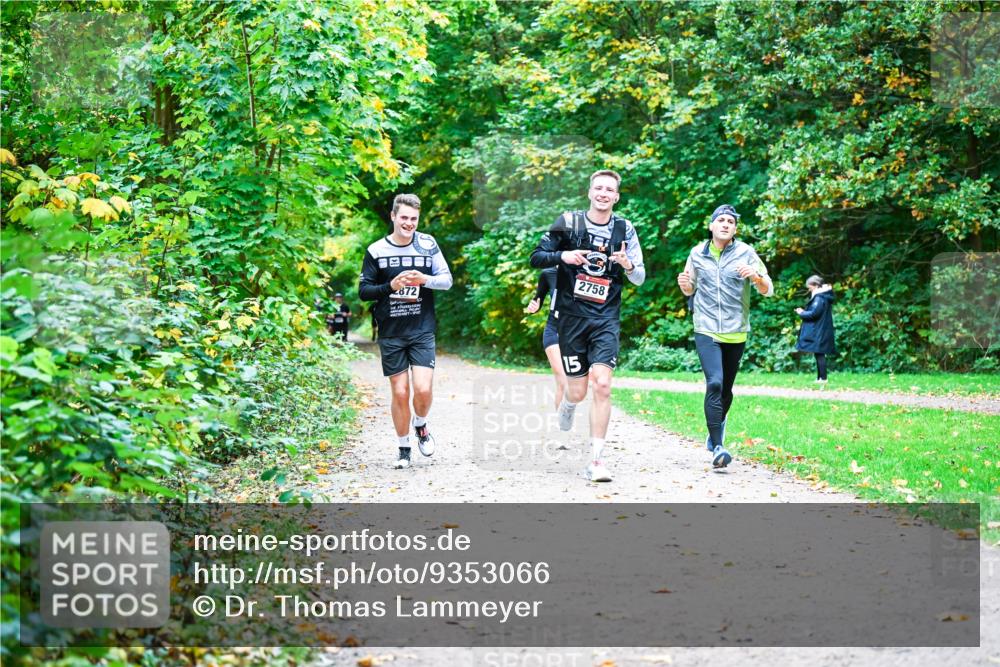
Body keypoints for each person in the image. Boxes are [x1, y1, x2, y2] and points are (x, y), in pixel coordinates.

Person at [530, 170, 645, 483]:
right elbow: (536, 257)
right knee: (578, 390)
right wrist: (564, 255)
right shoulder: (568, 222)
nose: (604, 193)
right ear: (590, 192)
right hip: (571, 318)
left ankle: (596, 460)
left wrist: (627, 264)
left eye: (610, 189)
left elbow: (639, 277)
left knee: (603, 384)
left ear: (617, 197)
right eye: (599, 188)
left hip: (605, 317)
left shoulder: (625, 228)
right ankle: (568, 403)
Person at [359, 194, 453, 469]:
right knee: (400, 392)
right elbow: (364, 292)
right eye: (404, 218)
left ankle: (421, 425)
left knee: (422, 390)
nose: (409, 223)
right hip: (391, 331)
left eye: (413, 219)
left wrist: (426, 279)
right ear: (393, 217)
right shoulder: (376, 250)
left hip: (422, 328)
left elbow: (446, 281)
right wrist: (391, 286)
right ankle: (403, 448)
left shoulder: (428, 245)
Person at [677, 204, 773, 469]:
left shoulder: (746, 253)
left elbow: (768, 289)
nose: (726, 224)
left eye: (730, 221)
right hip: (705, 327)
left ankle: (714, 431)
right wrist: (685, 286)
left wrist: (755, 277)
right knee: (715, 383)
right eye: (721, 220)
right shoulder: (697, 253)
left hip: (736, 331)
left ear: (735, 229)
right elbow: (689, 288)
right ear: (711, 226)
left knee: (727, 390)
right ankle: (718, 447)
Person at [524, 266, 565, 410]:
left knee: (576, 384)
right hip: (553, 331)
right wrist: (533, 306)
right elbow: (537, 300)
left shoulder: (582, 274)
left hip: (575, 333)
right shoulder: (548, 274)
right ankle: (562, 423)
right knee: (563, 380)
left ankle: (568, 414)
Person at [795, 275, 836, 383]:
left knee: (819, 354)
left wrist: (801, 312)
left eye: (810, 287)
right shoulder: (823, 296)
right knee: (818, 353)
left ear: (816, 285)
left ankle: (823, 378)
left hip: (819, 330)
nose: (809, 289)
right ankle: (820, 378)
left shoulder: (819, 298)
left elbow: (814, 314)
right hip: (821, 329)